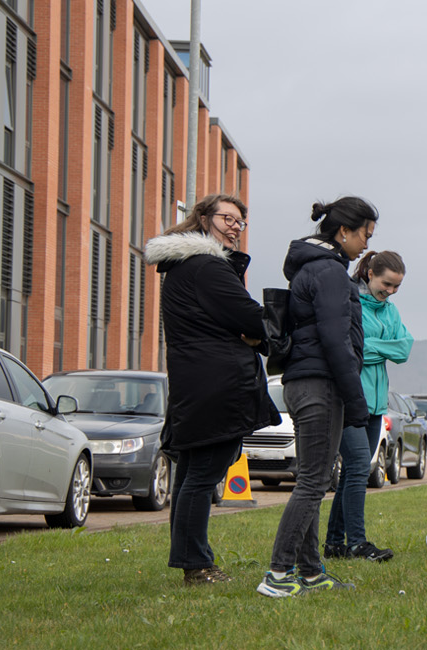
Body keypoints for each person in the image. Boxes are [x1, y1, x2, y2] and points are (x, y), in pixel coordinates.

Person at [147, 194, 279, 586]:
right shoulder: (207, 267)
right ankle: (197, 565)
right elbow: (252, 318)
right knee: (202, 476)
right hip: (217, 386)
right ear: (204, 219)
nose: (235, 227)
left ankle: (192, 560)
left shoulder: (184, 268)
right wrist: (259, 336)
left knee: (192, 475)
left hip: (197, 385)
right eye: (228, 219)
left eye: (240, 222)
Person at [259, 197, 378, 598]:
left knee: (313, 478)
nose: (365, 245)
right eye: (364, 235)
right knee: (313, 482)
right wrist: (356, 399)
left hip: (303, 381)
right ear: (343, 232)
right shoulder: (329, 273)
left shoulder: (313, 268)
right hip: (320, 384)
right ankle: (278, 574)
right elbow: (334, 340)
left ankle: (310, 572)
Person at [324, 250, 412, 563]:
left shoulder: (390, 311)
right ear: (370, 273)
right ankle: (358, 543)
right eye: (386, 284)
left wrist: (366, 347)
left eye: (396, 287)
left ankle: (335, 544)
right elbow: (347, 349)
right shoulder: (349, 303)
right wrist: (376, 349)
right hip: (349, 399)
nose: (390, 291)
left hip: (376, 405)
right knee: (360, 467)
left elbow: (403, 350)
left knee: (351, 472)